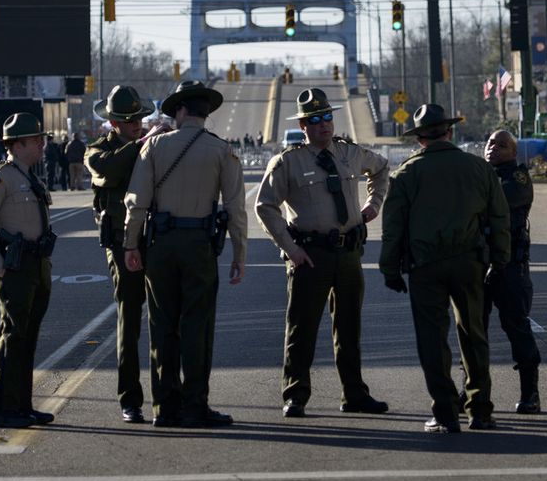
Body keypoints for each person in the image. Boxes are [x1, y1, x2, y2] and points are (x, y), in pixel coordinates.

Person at [255, 88, 390, 419]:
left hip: (348, 253)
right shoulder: (287, 161)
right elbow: (265, 206)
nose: (323, 125)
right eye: (314, 120)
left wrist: (373, 205)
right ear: (303, 125)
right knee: (301, 329)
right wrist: (291, 249)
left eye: (327, 117)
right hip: (310, 256)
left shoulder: (349, 153)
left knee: (349, 328)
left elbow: (382, 168)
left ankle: (355, 394)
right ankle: (296, 395)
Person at [124, 80, 247, 429]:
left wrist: (131, 244)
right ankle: (196, 405)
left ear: (179, 110)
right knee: (197, 326)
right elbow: (236, 208)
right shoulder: (221, 150)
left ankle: (165, 407)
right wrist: (240, 253)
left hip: (160, 245)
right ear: (205, 112)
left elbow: (136, 203)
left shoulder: (155, 147)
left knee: (162, 325)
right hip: (199, 247)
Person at [380, 104, 509, 434]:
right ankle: (480, 409)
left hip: (425, 267)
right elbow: (499, 218)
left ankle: (445, 412)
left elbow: (393, 228)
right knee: (474, 335)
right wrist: (500, 260)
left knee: (432, 340)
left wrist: (389, 269)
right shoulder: (479, 168)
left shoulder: (406, 174)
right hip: (469, 262)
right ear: (449, 131)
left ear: (420, 138)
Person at [0, 113, 58, 430]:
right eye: (36, 140)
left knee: (27, 338)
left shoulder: (30, 177)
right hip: (15, 266)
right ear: (17, 145)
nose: (41, 145)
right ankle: (2, 407)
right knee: (12, 336)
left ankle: (22, 404)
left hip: (36, 265)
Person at [86, 84, 158, 424]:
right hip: (119, 241)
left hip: (154, 239)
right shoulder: (96, 152)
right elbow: (109, 170)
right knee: (129, 320)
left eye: (140, 119)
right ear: (113, 123)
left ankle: (166, 395)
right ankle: (130, 398)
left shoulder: (150, 146)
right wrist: (143, 146)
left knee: (163, 319)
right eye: (128, 121)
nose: (136, 125)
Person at [482, 129, 541, 413]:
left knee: (516, 327)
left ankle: (530, 393)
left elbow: (494, 204)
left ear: (513, 152)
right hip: (478, 266)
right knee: (473, 330)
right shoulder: (482, 175)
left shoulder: (516, 178)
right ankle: (473, 392)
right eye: (490, 143)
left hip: (509, 267)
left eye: (501, 145)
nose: (493, 147)